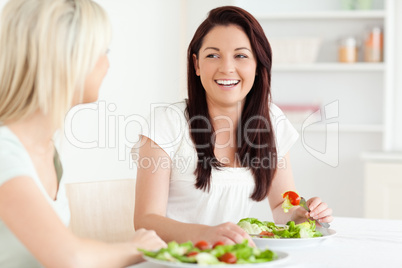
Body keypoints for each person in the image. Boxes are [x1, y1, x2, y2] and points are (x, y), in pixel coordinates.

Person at [133, 6, 333, 245]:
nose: (227, 68)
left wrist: (304, 215)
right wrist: (204, 235)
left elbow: (282, 205)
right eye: (213, 55)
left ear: (258, 65)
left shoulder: (271, 121)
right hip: (174, 259)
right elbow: (146, 220)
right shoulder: (167, 121)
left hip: (234, 258)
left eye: (240, 55)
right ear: (196, 65)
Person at [0, 0, 166, 267]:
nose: (107, 65)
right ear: (67, 59)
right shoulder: (5, 152)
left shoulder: (49, 151)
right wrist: (136, 247)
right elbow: (70, 258)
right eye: (102, 51)